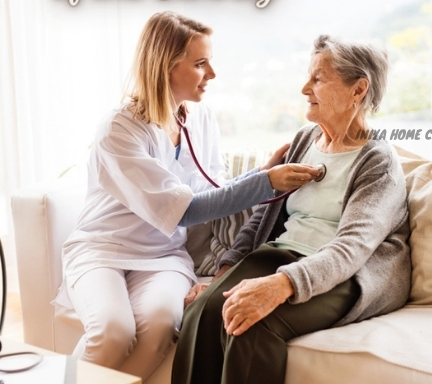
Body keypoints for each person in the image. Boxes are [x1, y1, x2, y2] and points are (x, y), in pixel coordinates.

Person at [55, 12, 320, 381]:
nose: (211, 73)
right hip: (104, 250)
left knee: (162, 326)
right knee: (112, 332)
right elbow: (185, 210)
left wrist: (262, 173)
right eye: (200, 63)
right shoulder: (120, 129)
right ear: (164, 66)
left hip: (163, 256)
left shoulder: (200, 118)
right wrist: (266, 182)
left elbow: (213, 192)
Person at [172, 35, 412, 384]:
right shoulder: (304, 141)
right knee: (202, 312)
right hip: (281, 256)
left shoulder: (377, 162)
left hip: (343, 275)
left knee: (248, 324)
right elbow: (262, 219)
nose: (304, 88)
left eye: (318, 78)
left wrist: (281, 284)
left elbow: (351, 249)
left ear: (358, 90)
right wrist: (223, 272)